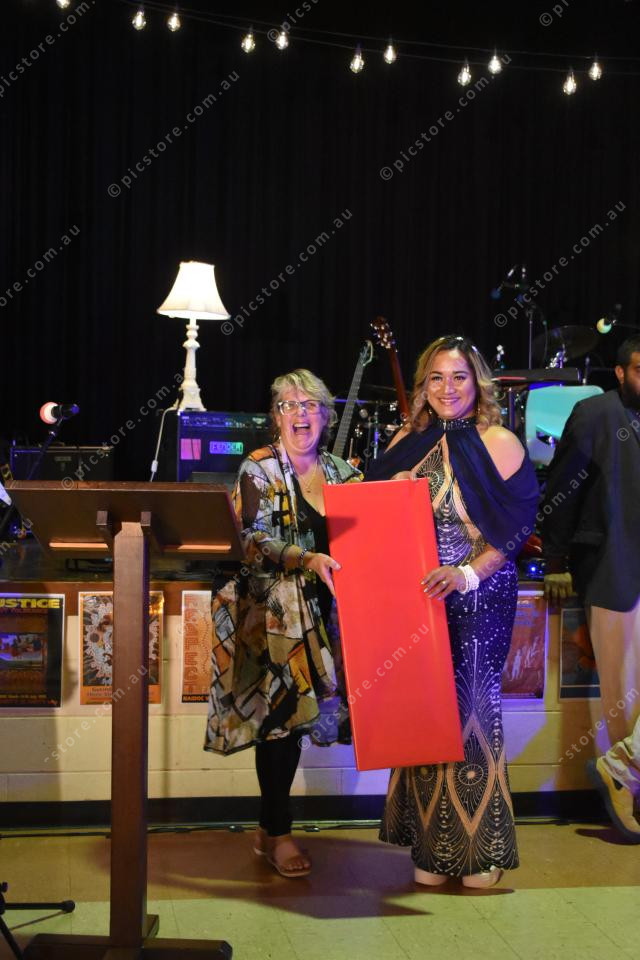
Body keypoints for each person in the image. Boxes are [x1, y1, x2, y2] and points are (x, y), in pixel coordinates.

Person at [367, 335, 539, 888]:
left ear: (477, 382)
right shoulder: (406, 440)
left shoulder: (499, 441)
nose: (448, 388)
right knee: (424, 712)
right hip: (418, 598)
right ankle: (432, 847)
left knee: (471, 712)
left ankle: (479, 850)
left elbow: (516, 526)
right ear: (423, 386)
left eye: (459, 376)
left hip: (479, 592)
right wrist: (389, 490)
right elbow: (374, 517)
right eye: (437, 378)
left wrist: (467, 574)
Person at [205, 369, 362, 877]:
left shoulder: (345, 474)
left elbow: (369, 535)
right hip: (269, 617)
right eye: (289, 405)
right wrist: (305, 557)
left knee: (298, 728)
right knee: (279, 728)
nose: (300, 414)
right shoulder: (258, 467)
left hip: (325, 618)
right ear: (275, 417)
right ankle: (280, 835)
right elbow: (251, 538)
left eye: (310, 404)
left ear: (326, 415)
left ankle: (266, 829)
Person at [542, 335, 640, 842]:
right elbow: (562, 487)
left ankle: (622, 768)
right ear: (620, 373)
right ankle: (628, 790)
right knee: (625, 692)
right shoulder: (596, 413)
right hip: (613, 567)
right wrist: (555, 561)